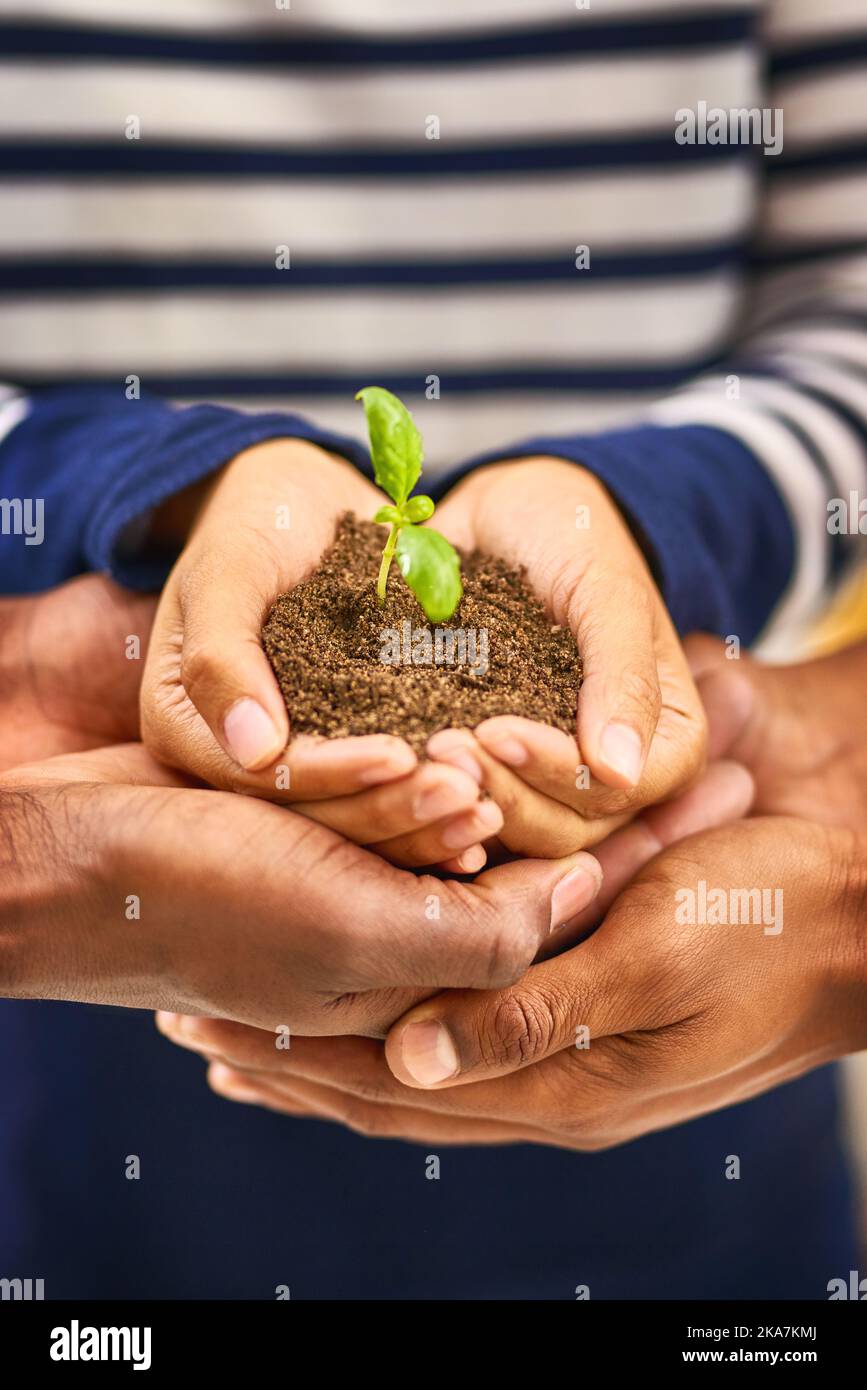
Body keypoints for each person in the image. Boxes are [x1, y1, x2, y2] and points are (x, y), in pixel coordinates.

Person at [1, 0, 865, 1297]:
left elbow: (845, 298)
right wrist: (139, 492)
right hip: (82, 1114)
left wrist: (648, 514)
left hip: (679, 1045)